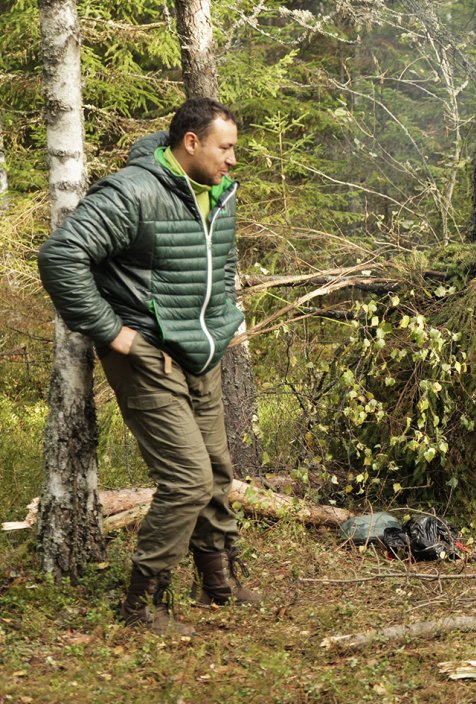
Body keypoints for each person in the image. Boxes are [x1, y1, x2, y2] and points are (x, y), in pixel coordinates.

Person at [38, 97, 260, 635]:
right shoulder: (133, 192)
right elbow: (60, 256)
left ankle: (218, 579)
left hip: (201, 350)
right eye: (225, 148)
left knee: (216, 470)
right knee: (187, 479)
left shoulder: (220, 192)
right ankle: (143, 601)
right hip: (148, 355)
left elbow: (220, 261)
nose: (234, 160)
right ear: (192, 143)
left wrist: (226, 317)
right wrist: (115, 334)